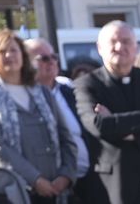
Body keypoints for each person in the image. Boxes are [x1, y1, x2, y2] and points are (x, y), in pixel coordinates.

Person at [72, 21, 140, 204]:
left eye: (126, 41)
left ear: (136, 47)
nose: (120, 47)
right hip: (115, 188)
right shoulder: (87, 84)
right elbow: (99, 125)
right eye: (113, 41)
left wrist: (126, 131)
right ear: (99, 48)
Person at [0, 29, 79, 204]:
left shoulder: (42, 92)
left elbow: (65, 136)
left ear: (23, 55)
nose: (9, 55)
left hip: (56, 191)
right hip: (14, 192)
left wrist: (66, 175)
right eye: (2, 51)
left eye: (13, 50)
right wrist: (35, 179)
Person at [24, 37, 100, 204]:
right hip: (51, 185)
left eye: (54, 57)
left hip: (88, 178)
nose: (51, 62)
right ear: (26, 63)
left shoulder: (69, 90)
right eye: (44, 58)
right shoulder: (24, 98)